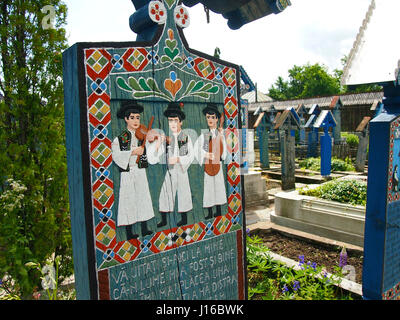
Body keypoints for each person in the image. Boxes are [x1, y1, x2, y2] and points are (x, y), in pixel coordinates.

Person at [111, 100, 154, 239]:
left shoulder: (142, 135)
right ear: (126, 119)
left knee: (143, 198)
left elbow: (150, 151)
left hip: (140, 170)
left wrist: (146, 148)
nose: (135, 120)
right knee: (128, 200)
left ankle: (144, 227)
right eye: (132, 118)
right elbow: (116, 154)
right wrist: (133, 152)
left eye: (137, 117)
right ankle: (129, 231)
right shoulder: (121, 139)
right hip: (128, 172)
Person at [147, 102, 194, 228]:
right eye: (170, 120)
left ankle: (184, 219)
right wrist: (159, 142)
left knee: (183, 193)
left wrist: (178, 159)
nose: (173, 123)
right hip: (171, 171)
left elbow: (189, 156)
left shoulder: (184, 137)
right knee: (165, 193)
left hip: (181, 170)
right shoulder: (167, 138)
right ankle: (164, 219)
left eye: (175, 120)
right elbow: (156, 155)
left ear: (180, 122)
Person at [195, 103, 227, 219]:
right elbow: (197, 150)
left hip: (217, 166)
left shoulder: (220, 134)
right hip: (208, 166)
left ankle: (218, 210)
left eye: (213, 117)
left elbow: (224, 152)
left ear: (217, 119)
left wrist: (221, 137)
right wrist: (207, 154)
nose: (210, 120)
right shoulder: (205, 136)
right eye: (208, 117)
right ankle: (209, 211)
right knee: (208, 189)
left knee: (218, 187)